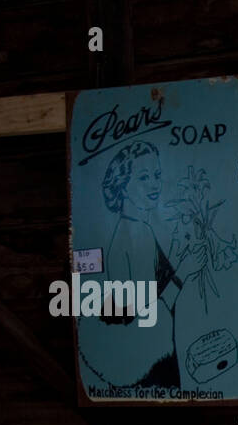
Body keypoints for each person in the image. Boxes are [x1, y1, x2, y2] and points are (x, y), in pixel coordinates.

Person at [78, 141, 196, 390]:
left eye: (157, 175)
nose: (154, 184)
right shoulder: (137, 233)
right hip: (153, 366)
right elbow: (151, 314)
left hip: (147, 361)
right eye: (143, 177)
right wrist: (185, 270)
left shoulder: (126, 232)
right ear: (123, 187)